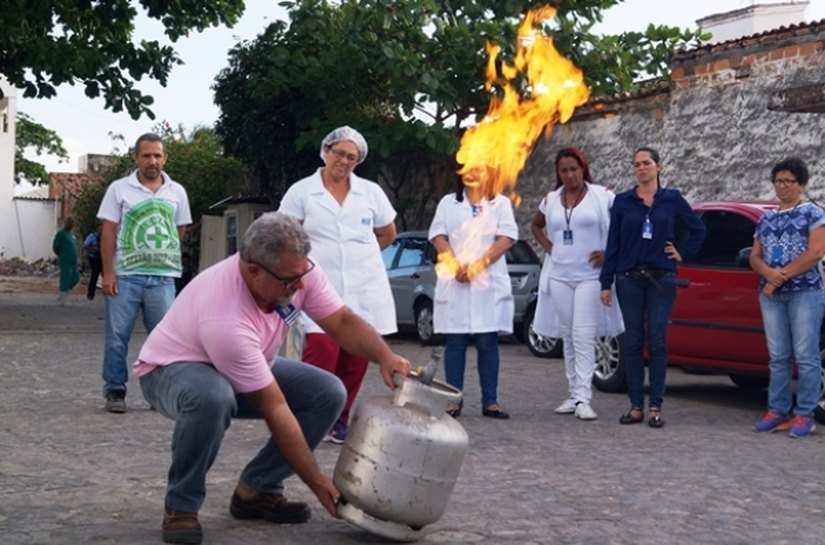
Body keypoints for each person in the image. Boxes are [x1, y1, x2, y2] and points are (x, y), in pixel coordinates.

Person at [133, 212, 411, 545]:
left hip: (248, 362)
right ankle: (181, 505)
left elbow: (341, 321)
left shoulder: (296, 270)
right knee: (212, 397)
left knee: (327, 392)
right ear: (253, 271)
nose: (301, 285)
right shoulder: (225, 317)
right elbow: (275, 408)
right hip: (171, 369)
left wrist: (385, 355)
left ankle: (257, 490)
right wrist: (317, 480)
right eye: (290, 280)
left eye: (303, 272)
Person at [278, 125, 397, 443]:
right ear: (325, 151)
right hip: (317, 287)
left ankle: (339, 420)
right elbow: (285, 235)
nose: (344, 161)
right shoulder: (302, 192)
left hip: (363, 287)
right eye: (339, 153)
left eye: (352, 157)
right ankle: (305, 418)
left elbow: (387, 233)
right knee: (321, 353)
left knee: (356, 358)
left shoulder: (370, 192)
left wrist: (361, 257)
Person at [599, 147, 706, 428]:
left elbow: (698, 229)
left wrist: (683, 253)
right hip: (629, 278)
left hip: (661, 279)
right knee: (633, 342)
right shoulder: (623, 202)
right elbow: (613, 244)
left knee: (657, 342)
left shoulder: (672, 200)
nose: (641, 168)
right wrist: (605, 282)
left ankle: (656, 405)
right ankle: (636, 405)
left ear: (659, 166)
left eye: (646, 163)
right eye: (636, 164)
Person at [97, 133, 192, 413]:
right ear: (136, 158)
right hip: (125, 276)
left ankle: (159, 393)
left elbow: (180, 229)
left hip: (163, 279)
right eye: (146, 155)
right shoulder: (119, 189)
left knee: (164, 340)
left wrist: (160, 252)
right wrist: (108, 273)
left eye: (157, 155)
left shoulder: (177, 192)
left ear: (165, 158)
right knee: (117, 337)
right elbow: (108, 231)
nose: (152, 161)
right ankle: (115, 390)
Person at [531, 148, 623, 421]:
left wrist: (609, 254)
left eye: (574, 169)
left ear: (583, 168)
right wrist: (550, 247)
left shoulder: (602, 196)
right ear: (558, 173)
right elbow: (536, 226)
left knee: (584, 335)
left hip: (590, 276)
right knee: (568, 335)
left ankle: (584, 397)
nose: (570, 175)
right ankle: (573, 394)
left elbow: (622, 228)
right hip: (560, 275)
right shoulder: (550, 200)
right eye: (564, 170)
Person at [428, 166, 517, 419]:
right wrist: (456, 264)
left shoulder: (500, 203)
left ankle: (490, 401)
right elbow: (438, 236)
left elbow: (506, 239)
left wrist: (477, 265)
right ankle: (453, 401)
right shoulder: (448, 203)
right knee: (455, 342)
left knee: (487, 341)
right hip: (456, 280)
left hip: (486, 281)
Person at [749, 157, 825, 438]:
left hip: (804, 291)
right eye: (778, 181)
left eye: (788, 181)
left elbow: (815, 253)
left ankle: (804, 414)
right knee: (778, 356)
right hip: (771, 295)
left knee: (806, 356)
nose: (782, 186)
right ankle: (777, 410)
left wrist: (779, 277)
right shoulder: (766, 217)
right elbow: (755, 256)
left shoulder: (813, 214)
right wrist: (768, 274)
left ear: (801, 184)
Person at [52, 216, 80, 305]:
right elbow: (55, 247)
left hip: (73, 261)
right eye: (70, 222)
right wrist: (62, 255)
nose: (71, 224)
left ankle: (64, 294)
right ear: (66, 223)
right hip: (65, 260)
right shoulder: (61, 234)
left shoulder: (72, 235)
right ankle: (63, 299)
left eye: (73, 222)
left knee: (76, 278)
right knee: (65, 278)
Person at [83, 224, 102, 300]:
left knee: (106, 274)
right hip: (93, 257)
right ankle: (90, 294)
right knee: (94, 275)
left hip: (102, 257)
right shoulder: (92, 236)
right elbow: (85, 245)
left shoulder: (105, 236)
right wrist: (93, 248)